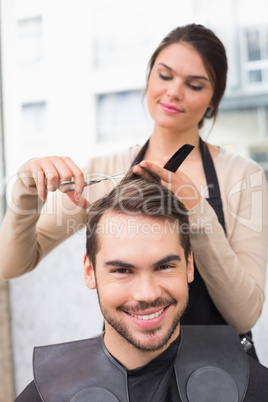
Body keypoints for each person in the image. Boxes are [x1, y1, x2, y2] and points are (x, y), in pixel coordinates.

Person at [1, 24, 267, 343]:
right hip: (127, 376)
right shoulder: (105, 171)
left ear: (213, 100)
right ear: (149, 77)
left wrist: (196, 210)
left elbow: (245, 314)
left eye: (194, 85)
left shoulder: (243, 177)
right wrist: (27, 192)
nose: (173, 92)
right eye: (164, 75)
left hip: (216, 378)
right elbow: (13, 265)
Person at [15, 173, 268, 402]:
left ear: (189, 265)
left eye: (165, 267)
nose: (147, 294)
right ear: (90, 272)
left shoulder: (254, 388)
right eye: (122, 270)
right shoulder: (46, 395)